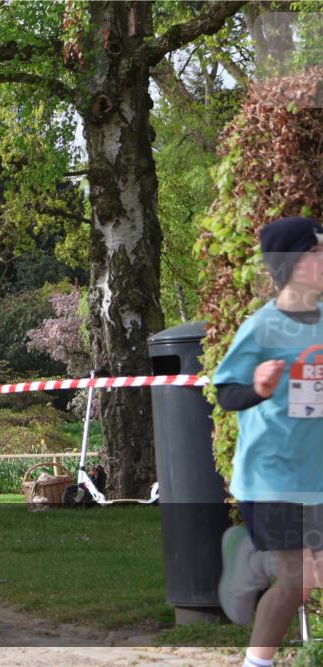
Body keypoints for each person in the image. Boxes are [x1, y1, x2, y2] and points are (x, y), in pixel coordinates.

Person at [214, 217, 323, 667]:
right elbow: (226, 392)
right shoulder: (263, 326)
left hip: (314, 475)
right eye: (319, 250)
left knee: (303, 583)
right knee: (299, 580)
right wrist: (258, 388)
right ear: (294, 263)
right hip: (271, 476)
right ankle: (254, 563)